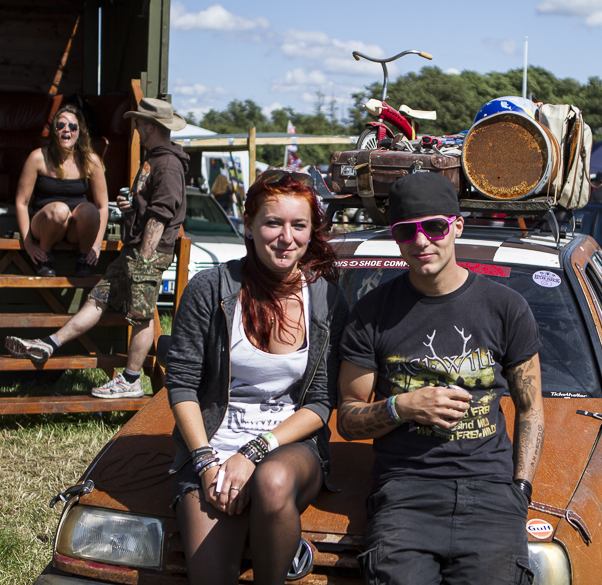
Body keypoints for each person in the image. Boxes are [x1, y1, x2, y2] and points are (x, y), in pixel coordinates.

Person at [337, 172, 544, 585]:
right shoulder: (371, 314)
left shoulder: (506, 308)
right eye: (405, 231)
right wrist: (403, 406)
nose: (421, 241)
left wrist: (519, 488)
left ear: (456, 226)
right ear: (395, 237)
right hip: (405, 496)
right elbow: (347, 418)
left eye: (434, 226)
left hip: (490, 493)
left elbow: (530, 407)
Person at [164, 169, 349, 585]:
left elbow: (320, 402)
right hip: (210, 449)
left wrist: (252, 453)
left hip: (289, 447)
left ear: (310, 230)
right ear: (248, 225)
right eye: (272, 223)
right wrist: (207, 462)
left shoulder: (326, 300)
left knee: (272, 479)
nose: (286, 238)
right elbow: (181, 383)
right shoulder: (211, 288)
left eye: (299, 225)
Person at [5, 98, 189, 399]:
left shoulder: (167, 164)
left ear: (152, 126)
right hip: (133, 251)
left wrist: (144, 256)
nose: (137, 128)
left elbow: (162, 213)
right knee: (97, 300)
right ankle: (47, 345)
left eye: (140, 123)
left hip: (148, 253)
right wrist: (131, 208)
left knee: (141, 316)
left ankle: (130, 380)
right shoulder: (153, 158)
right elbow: (148, 209)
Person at [14, 105, 108, 276]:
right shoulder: (37, 157)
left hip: (75, 228)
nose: (67, 130)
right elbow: (21, 202)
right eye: (61, 125)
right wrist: (28, 245)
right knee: (59, 210)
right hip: (44, 224)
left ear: (80, 132)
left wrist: (97, 244)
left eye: (73, 127)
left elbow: (102, 206)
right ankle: (44, 258)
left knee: (90, 210)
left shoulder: (91, 161)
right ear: (53, 131)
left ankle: (83, 259)